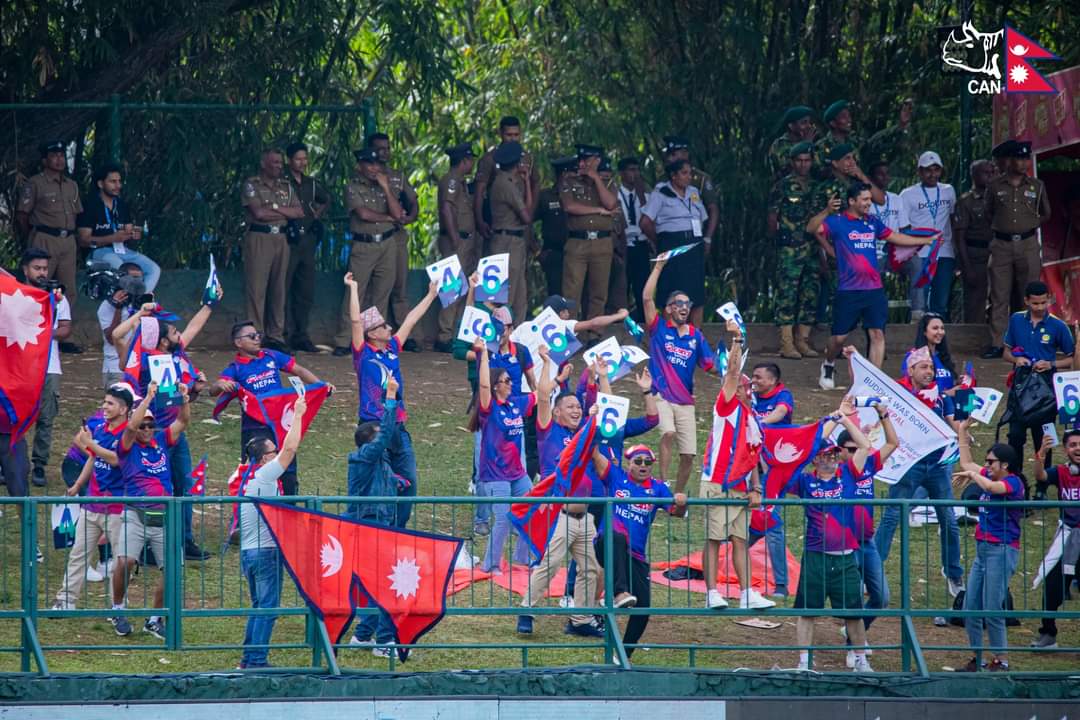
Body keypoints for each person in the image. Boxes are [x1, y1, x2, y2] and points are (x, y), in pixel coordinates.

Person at [112, 290, 219, 561]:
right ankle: (147, 543)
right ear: (162, 340)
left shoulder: (178, 355)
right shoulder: (142, 360)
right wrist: (139, 315)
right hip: (147, 435)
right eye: (173, 331)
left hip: (175, 431)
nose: (179, 333)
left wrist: (209, 304)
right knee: (150, 487)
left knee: (183, 482)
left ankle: (185, 541)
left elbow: (194, 327)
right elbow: (117, 337)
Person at [810, 182, 933, 385]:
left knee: (877, 333)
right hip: (848, 291)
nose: (869, 203)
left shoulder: (873, 222)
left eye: (869, 199)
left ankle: (873, 380)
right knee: (839, 339)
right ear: (852, 201)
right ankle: (829, 364)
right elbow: (812, 228)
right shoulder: (837, 222)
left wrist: (927, 240)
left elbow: (895, 237)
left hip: (874, 290)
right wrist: (826, 210)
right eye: (865, 200)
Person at [517, 350, 603, 638]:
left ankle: (580, 619)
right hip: (560, 514)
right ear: (556, 412)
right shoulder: (547, 431)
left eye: (579, 406)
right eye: (570, 407)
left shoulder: (584, 434)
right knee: (550, 564)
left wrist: (596, 375)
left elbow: (600, 406)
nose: (577, 410)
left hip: (585, 517)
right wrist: (544, 363)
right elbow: (543, 395)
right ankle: (526, 610)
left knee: (590, 569)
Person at [345, 272, 438, 527]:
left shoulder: (393, 349)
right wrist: (353, 287)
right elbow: (355, 321)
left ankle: (399, 528)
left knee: (409, 484)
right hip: (374, 427)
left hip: (397, 426)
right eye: (384, 326)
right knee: (384, 483)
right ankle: (383, 529)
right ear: (372, 333)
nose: (390, 328)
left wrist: (431, 295)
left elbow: (411, 319)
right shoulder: (362, 353)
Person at [872, 345, 966, 597]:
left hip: (938, 467)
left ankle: (954, 574)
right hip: (909, 466)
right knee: (892, 516)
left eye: (932, 368)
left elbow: (953, 426)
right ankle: (871, 572)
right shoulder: (899, 396)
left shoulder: (942, 398)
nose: (929, 372)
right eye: (924, 367)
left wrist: (963, 427)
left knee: (949, 520)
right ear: (911, 370)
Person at [780, 426, 874, 673]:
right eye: (826, 454)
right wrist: (822, 430)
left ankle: (862, 661)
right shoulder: (804, 480)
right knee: (807, 612)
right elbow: (791, 463)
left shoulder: (849, 474)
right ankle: (804, 663)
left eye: (834, 454)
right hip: (815, 557)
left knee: (853, 614)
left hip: (845, 558)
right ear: (815, 458)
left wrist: (844, 419)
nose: (832, 458)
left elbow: (864, 446)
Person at [700, 320, 775, 611]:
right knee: (714, 539)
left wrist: (756, 486)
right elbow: (732, 372)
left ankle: (746, 593)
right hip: (717, 480)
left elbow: (752, 456)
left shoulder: (750, 417)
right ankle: (711, 593)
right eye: (746, 385)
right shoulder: (726, 406)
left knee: (740, 539)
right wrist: (737, 340)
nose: (750, 388)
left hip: (740, 485)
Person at [591, 443, 687, 665]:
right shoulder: (615, 476)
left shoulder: (658, 488)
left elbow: (678, 513)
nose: (643, 465)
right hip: (607, 544)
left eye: (648, 462)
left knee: (643, 609)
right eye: (638, 461)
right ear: (628, 463)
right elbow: (594, 454)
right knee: (617, 536)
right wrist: (592, 421)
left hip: (636, 555)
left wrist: (681, 502)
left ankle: (623, 654)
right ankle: (618, 593)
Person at [110, 381, 190, 639]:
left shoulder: (161, 441)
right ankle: (117, 608)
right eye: (143, 424)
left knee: (172, 569)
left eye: (150, 425)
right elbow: (131, 426)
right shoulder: (127, 446)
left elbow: (182, 423)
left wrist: (184, 400)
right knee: (126, 561)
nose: (146, 429)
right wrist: (147, 399)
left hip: (164, 518)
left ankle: (155, 619)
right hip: (135, 513)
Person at [210, 321, 323, 495]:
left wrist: (321, 385)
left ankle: (290, 506)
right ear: (238, 342)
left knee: (288, 465)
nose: (257, 339)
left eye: (258, 335)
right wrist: (220, 385)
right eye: (251, 336)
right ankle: (253, 508)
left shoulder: (271, 356)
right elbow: (213, 390)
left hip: (280, 424)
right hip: (255, 428)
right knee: (258, 468)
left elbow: (298, 370)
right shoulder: (235, 368)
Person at [236, 392, 307, 669]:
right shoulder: (265, 475)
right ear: (264, 459)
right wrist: (298, 414)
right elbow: (290, 451)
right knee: (268, 608)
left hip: (249, 552)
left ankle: (248, 658)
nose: (277, 454)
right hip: (264, 554)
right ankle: (256, 660)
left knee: (259, 607)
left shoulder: (249, 479)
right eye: (272, 452)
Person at [53, 383, 136, 610]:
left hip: (118, 508)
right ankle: (65, 601)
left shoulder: (130, 434)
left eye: (110, 403)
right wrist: (79, 484)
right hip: (92, 504)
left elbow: (115, 459)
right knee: (78, 555)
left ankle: (117, 606)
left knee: (120, 562)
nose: (104, 407)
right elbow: (93, 458)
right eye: (104, 402)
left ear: (124, 409)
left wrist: (90, 444)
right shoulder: (101, 429)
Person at [641, 256, 717, 495]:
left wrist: (731, 368)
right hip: (661, 395)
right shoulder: (659, 328)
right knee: (668, 433)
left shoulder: (696, 335)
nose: (684, 307)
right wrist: (659, 267)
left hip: (686, 401)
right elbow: (646, 298)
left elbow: (710, 366)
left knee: (688, 455)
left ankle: (678, 495)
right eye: (679, 303)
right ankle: (663, 486)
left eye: (687, 303)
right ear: (669, 308)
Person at [345, 375, 409, 657]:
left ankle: (361, 637)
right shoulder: (363, 457)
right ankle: (384, 642)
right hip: (368, 526)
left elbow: (388, 478)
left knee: (378, 584)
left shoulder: (378, 461)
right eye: (380, 435)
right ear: (369, 441)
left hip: (380, 524)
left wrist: (399, 483)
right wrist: (391, 399)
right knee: (386, 585)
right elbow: (385, 434)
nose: (386, 438)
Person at [953, 423, 1024, 672]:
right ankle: (978, 658)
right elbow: (967, 463)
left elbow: (993, 488)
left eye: (991, 462)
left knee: (992, 608)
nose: (987, 465)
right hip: (983, 551)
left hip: (1001, 550)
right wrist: (962, 432)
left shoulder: (1013, 483)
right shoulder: (989, 474)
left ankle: (1001, 660)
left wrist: (974, 476)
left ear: (1004, 465)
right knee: (971, 608)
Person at [838, 401, 898, 668]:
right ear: (839, 452)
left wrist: (883, 415)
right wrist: (843, 417)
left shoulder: (870, 466)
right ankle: (853, 646)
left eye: (856, 448)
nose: (854, 454)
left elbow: (892, 444)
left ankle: (856, 632)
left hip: (868, 542)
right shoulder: (839, 472)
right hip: (846, 544)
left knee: (881, 597)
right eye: (849, 450)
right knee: (852, 597)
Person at [983, 141, 1052, 359]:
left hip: (1028, 243)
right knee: (999, 295)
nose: (1022, 163)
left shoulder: (1037, 186)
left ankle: (1032, 341)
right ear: (1009, 160)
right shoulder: (995, 186)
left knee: (1031, 293)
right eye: (1018, 159)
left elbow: (1046, 213)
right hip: (1002, 244)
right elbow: (988, 213)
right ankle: (998, 344)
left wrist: (1028, 225)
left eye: (1025, 159)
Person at [332, 148, 405, 356]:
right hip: (364, 245)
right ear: (360, 166)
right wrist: (388, 218)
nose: (375, 168)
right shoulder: (353, 187)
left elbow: (398, 213)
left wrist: (386, 187)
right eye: (369, 164)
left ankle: (375, 339)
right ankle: (345, 340)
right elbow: (363, 214)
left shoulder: (385, 187)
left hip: (387, 243)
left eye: (377, 165)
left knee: (381, 293)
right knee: (355, 291)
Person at [470, 343, 536, 572]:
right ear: (496, 386)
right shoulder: (489, 408)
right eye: (506, 381)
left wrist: (549, 366)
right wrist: (485, 355)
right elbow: (483, 383)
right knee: (503, 519)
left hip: (517, 474)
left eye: (511, 381)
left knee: (532, 510)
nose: (511, 384)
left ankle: (523, 557)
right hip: (495, 475)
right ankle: (491, 564)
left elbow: (543, 394)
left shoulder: (516, 404)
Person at [16, 140, 83, 351]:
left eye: (62, 155)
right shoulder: (36, 183)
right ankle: (29, 331)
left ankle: (62, 335)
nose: (59, 159)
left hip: (67, 240)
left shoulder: (72, 185)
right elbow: (22, 215)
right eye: (54, 155)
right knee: (38, 286)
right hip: (44, 236)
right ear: (45, 160)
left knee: (67, 289)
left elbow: (77, 214)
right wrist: (33, 238)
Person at [1002, 281, 1075, 474]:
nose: (1040, 307)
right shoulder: (1016, 320)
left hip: (1046, 390)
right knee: (1015, 437)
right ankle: (1015, 482)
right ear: (1026, 301)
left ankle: (1042, 486)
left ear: (1049, 299)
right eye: (1035, 303)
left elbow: (1072, 358)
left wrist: (1050, 364)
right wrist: (1017, 360)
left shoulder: (1058, 326)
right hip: (1020, 387)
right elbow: (1006, 352)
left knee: (1043, 439)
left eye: (1044, 303)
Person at [241, 148, 303, 352]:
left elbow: (298, 211)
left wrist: (274, 208)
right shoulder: (252, 184)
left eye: (280, 163)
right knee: (257, 289)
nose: (278, 166)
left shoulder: (286, 186)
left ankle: (276, 335)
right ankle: (255, 334)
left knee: (278, 288)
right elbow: (258, 213)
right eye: (274, 162)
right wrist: (283, 211)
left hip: (281, 238)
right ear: (264, 164)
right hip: (260, 237)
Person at [21, 248, 72, 488]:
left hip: (49, 366)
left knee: (46, 418)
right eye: (37, 268)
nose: (42, 273)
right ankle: (10, 462)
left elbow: (65, 329)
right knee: (14, 415)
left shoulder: (57, 297)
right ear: (25, 270)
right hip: (19, 367)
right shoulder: (16, 295)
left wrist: (43, 334)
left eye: (44, 268)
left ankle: (39, 464)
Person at [640, 158, 710, 328]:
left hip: (693, 243)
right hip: (672, 244)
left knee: (696, 291)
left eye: (690, 173)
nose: (689, 177)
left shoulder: (693, 192)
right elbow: (645, 222)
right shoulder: (661, 194)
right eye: (684, 173)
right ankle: (670, 336)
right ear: (673, 176)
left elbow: (703, 217)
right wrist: (661, 241)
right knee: (672, 290)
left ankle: (695, 335)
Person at [368, 133, 422, 352]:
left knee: (400, 287)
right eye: (379, 149)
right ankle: (371, 334)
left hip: (396, 236)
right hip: (373, 237)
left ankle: (403, 334)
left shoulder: (397, 176)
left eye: (387, 148)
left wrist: (411, 217)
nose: (384, 153)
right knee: (374, 290)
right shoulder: (363, 176)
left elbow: (413, 200)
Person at [559, 144, 618, 337]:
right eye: (581, 160)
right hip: (578, 243)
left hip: (602, 243)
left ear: (597, 161)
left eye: (588, 160)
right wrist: (599, 211)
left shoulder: (607, 183)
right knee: (571, 292)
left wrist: (596, 179)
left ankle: (595, 335)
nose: (582, 163)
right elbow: (569, 206)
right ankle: (569, 335)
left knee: (598, 292)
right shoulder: (569, 180)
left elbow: (611, 203)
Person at [768, 141, 820, 359]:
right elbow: (772, 217)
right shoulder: (782, 186)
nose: (803, 165)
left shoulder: (818, 186)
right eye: (799, 160)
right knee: (787, 293)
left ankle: (803, 340)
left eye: (807, 160)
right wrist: (778, 242)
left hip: (813, 245)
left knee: (810, 292)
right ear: (792, 162)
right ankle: (786, 342)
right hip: (789, 248)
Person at [1030, 430, 1080, 649]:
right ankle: (1048, 633)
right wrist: (1041, 454)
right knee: (1052, 585)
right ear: (1066, 449)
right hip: (1068, 539)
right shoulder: (1061, 472)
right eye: (1072, 445)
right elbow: (1040, 477)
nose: (1077, 448)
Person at [76, 162, 160, 292]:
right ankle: (128, 298)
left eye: (119, 181)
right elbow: (83, 240)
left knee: (153, 269)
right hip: (98, 252)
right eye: (113, 182)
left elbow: (127, 229)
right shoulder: (90, 205)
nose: (118, 186)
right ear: (100, 184)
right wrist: (112, 238)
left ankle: (142, 298)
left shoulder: (121, 205)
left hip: (122, 250)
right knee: (121, 268)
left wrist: (132, 233)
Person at [749, 362, 795, 596]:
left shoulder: (783, 394)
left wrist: (759, 423)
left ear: (773, 381)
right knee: (751, 519)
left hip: (774, 471)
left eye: (759, 377)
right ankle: (719, 561)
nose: (754, 381)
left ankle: (781, 585)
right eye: (753, 377)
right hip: (750, 467)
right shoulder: (750, 395)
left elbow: (781, 412)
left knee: (770, 521)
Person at [283, 142, 331, 353]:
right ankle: (282, 335)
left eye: (305, 158)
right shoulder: (282, 182)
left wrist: (315, 214)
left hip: (307, 241)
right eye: (297, 159)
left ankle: (301, 335)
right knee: (282, 289)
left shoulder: (311, 184)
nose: (302, 162)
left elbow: (326, 199)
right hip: (288, 239)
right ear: (289, 160)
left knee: (305, 290)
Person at [899, 151, 958, 320]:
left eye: (936, 170)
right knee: (919, 303)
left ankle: (940, 342)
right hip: (920, 253)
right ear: (919, 172)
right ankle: (918, 342)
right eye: (928, 170)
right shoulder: (907, 194)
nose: (933, 174)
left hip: (945, 251)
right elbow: (903, 227)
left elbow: (953, 220)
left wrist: (957, 251)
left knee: (941, 302)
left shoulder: (948, 190)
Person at [434, 142, 478, 354]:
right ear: (464, 161)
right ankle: (444, 335)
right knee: (451, 289)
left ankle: (456, 332)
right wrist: (454, 238)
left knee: (463, 289)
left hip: (465, 240)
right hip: (456, 240)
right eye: (471, 160)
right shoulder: (451, 181)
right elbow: (446, 209)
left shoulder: (461, 182)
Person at [473, 116, 542, 243]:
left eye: (516, 135)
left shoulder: (527, 158)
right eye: (509, 135)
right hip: (499, 222)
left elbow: (536, 183)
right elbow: (479, 191)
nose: (513, 139)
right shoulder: (490, 159)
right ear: (500, 134)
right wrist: (480, 221)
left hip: (522, 218)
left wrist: (530, 212)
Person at [488, 141, 534, 324]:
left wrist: (527, 182)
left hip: (513, 240)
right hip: (507, 242)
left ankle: (517, 335)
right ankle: (502, 336)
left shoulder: (506, 181)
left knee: (520, 294)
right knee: (507, 293)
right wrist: (528, 183)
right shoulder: (505, 184)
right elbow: (527, 216)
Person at [952, 159, 996, 325]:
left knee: (998, 300)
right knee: (975, 303)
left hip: (998, 252)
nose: (990, 177)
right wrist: (966, 267)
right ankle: (971, 342)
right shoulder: (965, 202)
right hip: (975, 255)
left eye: (992, 173)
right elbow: (959, 238)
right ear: (974, 176)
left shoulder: (999, 198)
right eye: (986, 173)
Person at [662, 136, 720, 252]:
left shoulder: (700, 179)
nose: (669, 159)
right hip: (670, 239)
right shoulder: (662, 181)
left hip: (695, 237)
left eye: (674, 154)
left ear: (685, 154)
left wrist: (708, 238)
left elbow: (713, 209)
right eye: (669, 155)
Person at [616, 157, 651, 323]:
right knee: (622, 286)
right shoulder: (615, 194)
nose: (635, 174)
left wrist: (642, 195)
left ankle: (644, 321)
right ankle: (620, 322)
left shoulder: (646, 194)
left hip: (641, 244)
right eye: (631, 170)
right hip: (623, 245)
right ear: (621, 173)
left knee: (642, 286)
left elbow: (649, 218)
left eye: (637, 170)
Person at [98, 262, 144, 389]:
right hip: (115, 367)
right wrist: (118, 308)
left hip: (139, 365)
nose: (137, 282)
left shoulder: (142, 303)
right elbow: (111, 338)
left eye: (140, 278)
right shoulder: (107, 305)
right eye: (133, 278)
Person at [537, 156, 577, 297]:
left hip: (577, 252)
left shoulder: (579, 196)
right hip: (554, 253)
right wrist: (536, 251)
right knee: (556, 295)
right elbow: (526, 222)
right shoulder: (546, 196)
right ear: (564, 175)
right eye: (573, 174)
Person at [901, 312, 957, 393]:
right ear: (924, 331)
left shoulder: (943, 356)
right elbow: (912, 389)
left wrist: (960, 383)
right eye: (935, 328)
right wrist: (947, 394)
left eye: (942, 328)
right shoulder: (913, 356)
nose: (940, 332)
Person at [767, 106, 816, 181]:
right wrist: (806, 145)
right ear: (791, 126)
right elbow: (790, 169)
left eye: (809, 122)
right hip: (789, 189)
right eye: (804, 123)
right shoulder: (780, 145)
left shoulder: (813, 141)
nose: (809, 126)